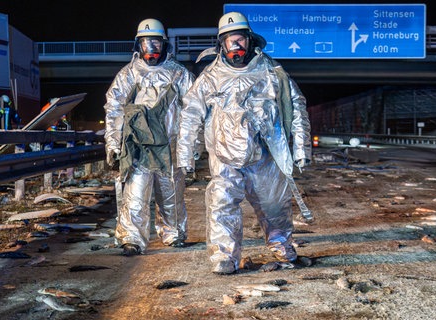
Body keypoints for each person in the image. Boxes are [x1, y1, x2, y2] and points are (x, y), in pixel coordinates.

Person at [176, 12, 312, 274]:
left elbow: (296, 107)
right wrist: (186, 155)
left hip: (266, 155)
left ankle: (282, 246)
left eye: (240, 40)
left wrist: (301, 149)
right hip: (225, 157)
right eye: (230, 41)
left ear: (250, 41)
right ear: (221, 45)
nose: (236, 47)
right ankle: (224, 256)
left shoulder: (272, 73)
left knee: (275, 205)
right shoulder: (210, 78)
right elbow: (190, 115)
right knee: (221, 204)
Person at [103, 18, 194, 256]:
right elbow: (114, 110)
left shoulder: (180, 75)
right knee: (135, 195)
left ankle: (173, 234)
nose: (150, 50)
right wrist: (113, 144)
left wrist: (192, 145)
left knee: (171, 195)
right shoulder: (128, 75)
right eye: (146, 44)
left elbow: (193, 111)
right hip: (138, 148)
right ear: (138, 45)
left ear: (164, 45)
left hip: (169, 146)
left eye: (155, 44)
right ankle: (132, 238)